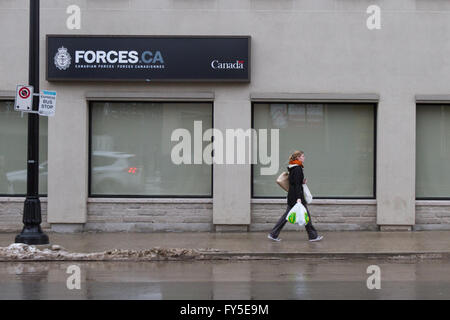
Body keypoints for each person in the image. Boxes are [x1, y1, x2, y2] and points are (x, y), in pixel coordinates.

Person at [268, 150, 323, 242]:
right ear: (298, 157)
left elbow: (294, 182)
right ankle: (313, 236)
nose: (304, 157)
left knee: (288, 216)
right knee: (303, 216)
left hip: (292, 195)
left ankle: (273, 234)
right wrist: (298, 198)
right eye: (302, 156)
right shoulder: (297, 168)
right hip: (296, 197)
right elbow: (296, 185)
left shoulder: (293, 167)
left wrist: (302, 182)